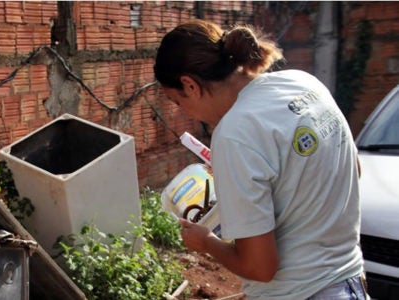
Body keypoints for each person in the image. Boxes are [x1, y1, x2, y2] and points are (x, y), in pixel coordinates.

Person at [154, 19, 369, 300]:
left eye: (178, 102)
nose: (187, 113)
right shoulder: (304, 82)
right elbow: (352, 169)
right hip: (350, 284)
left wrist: (206, 242)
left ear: (190, 85)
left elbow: (259, 268)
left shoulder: (233, 134)